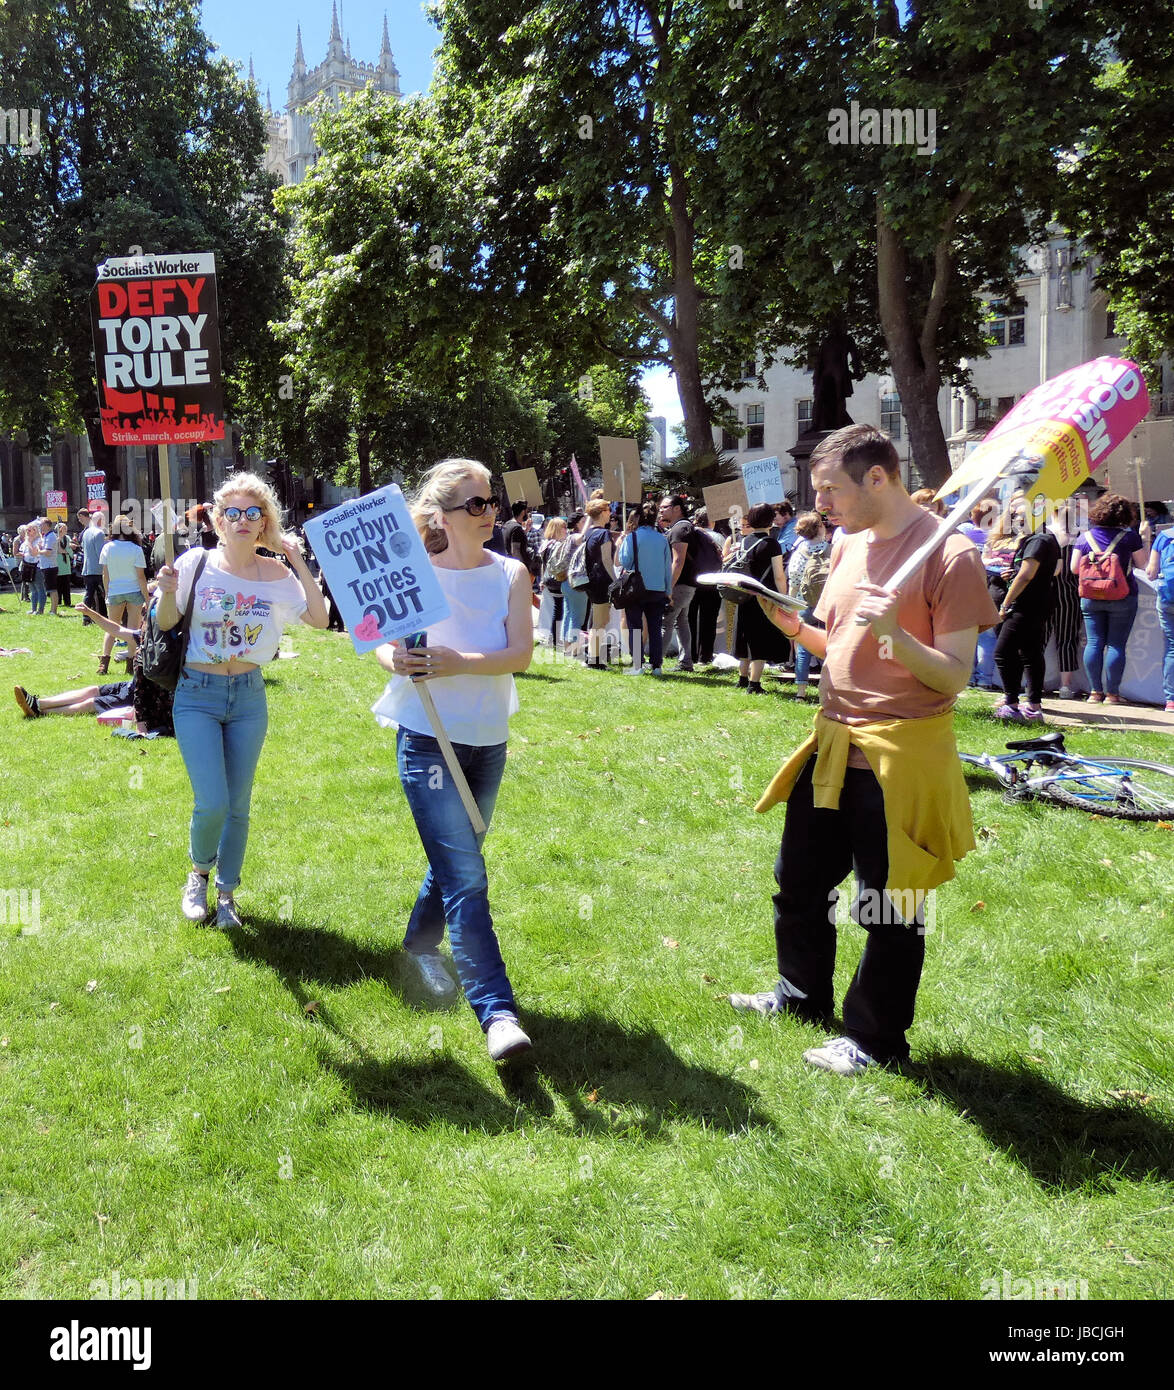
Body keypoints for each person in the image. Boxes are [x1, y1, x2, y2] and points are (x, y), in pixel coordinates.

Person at [729, 424, 998, 1076]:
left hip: (901, 757)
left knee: (890, 905)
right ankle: (800, 997)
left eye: (832, 489)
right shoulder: (849, 545)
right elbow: (839, 644)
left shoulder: (950, 556)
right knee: (799, 885)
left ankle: (875, 1040)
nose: (822, 503)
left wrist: (899, 639)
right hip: (832, 746)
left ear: (878, 477)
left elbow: (956, 674)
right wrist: (793, 626)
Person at [371, 459, 535, 1062]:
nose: (489, 512)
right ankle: (498, 1014)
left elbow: (519, 654)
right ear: (441, 514)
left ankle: (419, 945)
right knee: (466, 873)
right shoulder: (413, 577)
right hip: (426, 737)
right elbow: (384, 646)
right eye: (475, 504)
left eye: (491, 501)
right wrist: (400, 662)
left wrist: (455, 660)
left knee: (457, 857)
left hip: (487, 737)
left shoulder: (512, 573)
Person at [154, 473, 329, 927]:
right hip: (197, 693)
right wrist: (168, 592)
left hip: (249, 696)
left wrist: (294, 556)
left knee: (238, 803)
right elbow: (166, 621)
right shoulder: (196, 563)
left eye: (254, 513)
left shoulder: (276, 573)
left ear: (264, 521)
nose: (243, 521)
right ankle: (198, 875)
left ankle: (227, 894)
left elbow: (320, 618)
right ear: (217, 520)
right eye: (233, 513)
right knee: (211, 800)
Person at [1070, 492, 1151, 704]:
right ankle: (1112, 694)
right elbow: (1143, 565)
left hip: (1090, 596)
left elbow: (1074, 568)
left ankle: (1095, 693)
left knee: (1094, 643)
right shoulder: (1130, 537)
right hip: (1123, 596)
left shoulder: (1084, 537)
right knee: (1116, 644)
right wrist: (1145, 538)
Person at [991, 496, 1061, 721]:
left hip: (1025, 604)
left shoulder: (1039, 540)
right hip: (1032, 602)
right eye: (1015, 514)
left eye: (1021, 514)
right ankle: (1032, 706)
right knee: (1029, 652)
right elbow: (1025, 571)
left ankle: (1013, 704)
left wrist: (1005, 604)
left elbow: (1026, 575)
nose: (1017, 518)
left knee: (1003, 653)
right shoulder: (1034, 540)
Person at [729, 503, 789, 694]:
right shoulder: (772, 544)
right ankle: (754, 684)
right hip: (764, 597)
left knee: (744, 637)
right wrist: (784, 597)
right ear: (771, 520)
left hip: (744, 595)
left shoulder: (744, 541)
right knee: (760, 640)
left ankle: (742, 678)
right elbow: (779, 575)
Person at [616, 502, 672, 673]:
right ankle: (657, 666)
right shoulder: (662, 539)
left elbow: (623, 561)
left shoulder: (632, 537)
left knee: (635, 626)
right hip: (658, 589)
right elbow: (667, 567)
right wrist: (668, 591)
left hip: (636, 588)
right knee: (655, 628)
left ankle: (638, 664)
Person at [786, 510, 830, 698]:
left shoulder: (799, 553)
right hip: (828, 603)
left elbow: (794, 581)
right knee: (831, 646)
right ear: (820, 527)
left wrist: (790, 605)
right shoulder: (833, 549)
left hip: (804, 603)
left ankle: (801, 692)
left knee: (803, 648)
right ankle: (828, 689)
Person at [98, 518, 149, 675]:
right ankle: (131, 665)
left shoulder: (108, 547)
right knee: (133, 630)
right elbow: (141, 577)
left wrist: (107, 592)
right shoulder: (136, 549)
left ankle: (103, 664)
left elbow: (105, 574)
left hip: (115, 591)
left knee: (112, 627)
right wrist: (147, 598)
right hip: (134, 591)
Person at [1045, 502, 1082, 700]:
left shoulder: (1045, 536)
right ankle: (1065, 686)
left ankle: (1032, 681)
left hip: (1046, 591)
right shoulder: (1080, 537)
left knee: (1039, 639)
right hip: (1070, 594)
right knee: (1067, 640)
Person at [657, 494, 698, 672]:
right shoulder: (682, 527)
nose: (660, 510)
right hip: (686, 584)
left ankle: (656, 663)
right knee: (681, 622)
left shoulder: (679, 530)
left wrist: (669, 587)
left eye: (664, 507)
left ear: (677, 508)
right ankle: (686, 662)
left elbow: (678, 561)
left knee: (667, 621)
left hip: (680, 585)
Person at [582, 497, 617, 668]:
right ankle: (594, 660)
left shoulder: (588, 533)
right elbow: (607, 560)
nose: (610, 514)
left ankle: (593, 656)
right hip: (601, 582)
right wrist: (616, 580)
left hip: (591, 581)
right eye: (608, 510)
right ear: (603, 512)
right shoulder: (603, 534)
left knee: (599, 620)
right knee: (600, 622)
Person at [687, 508, 725, 665]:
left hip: (693, 581)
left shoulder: (691, 535)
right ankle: (706, 655)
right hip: (712, 582)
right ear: (713, 521)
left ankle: (690, 654)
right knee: (709, 620)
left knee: (689, 619)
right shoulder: (719, 538)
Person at [1146, 521, 1174, 712]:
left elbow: (1150, 573)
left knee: (1172, 647)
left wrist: (1145, 538)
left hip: (1167, 598)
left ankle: (1171, 700)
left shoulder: (1165, 536)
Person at [79, 510, 108, 623]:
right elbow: (101, 553)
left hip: (87, 568)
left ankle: (86, 617)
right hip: (98, 569)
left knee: (89, 594)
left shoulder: (86, 532)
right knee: (101, 594)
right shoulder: (99, 533)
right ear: (100, 520)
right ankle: (103, 616)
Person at [501, 500, 535, 577]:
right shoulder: (517, 528)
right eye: (527, 511)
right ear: (523, 512)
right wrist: (521, 571)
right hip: (516, 571)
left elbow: (514, 540)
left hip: (507, 567)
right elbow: (515, 551)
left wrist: (526, 531)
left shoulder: (508, 524)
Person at [36, 516, 61, 616]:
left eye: (41, 525)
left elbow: (48, 552)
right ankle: (52, 610)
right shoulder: (46, 536)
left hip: (50, 566)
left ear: (46, 525)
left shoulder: (50, 536)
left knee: (52, 589)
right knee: (50, 589)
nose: (40, 527)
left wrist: (38, 551)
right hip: (46, 566)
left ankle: (54, 610)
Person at [55, 523, 74, 609]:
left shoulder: (67, 538)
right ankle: (58, 601)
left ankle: (67, 602)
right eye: (64, 529)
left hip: (66, 564)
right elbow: (56, 550)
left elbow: (69, 550)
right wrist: (65, 550)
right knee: (58, 584)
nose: (65, 530)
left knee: (66, 584)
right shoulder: (56, 538)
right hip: (58, 563)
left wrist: (65, 551)